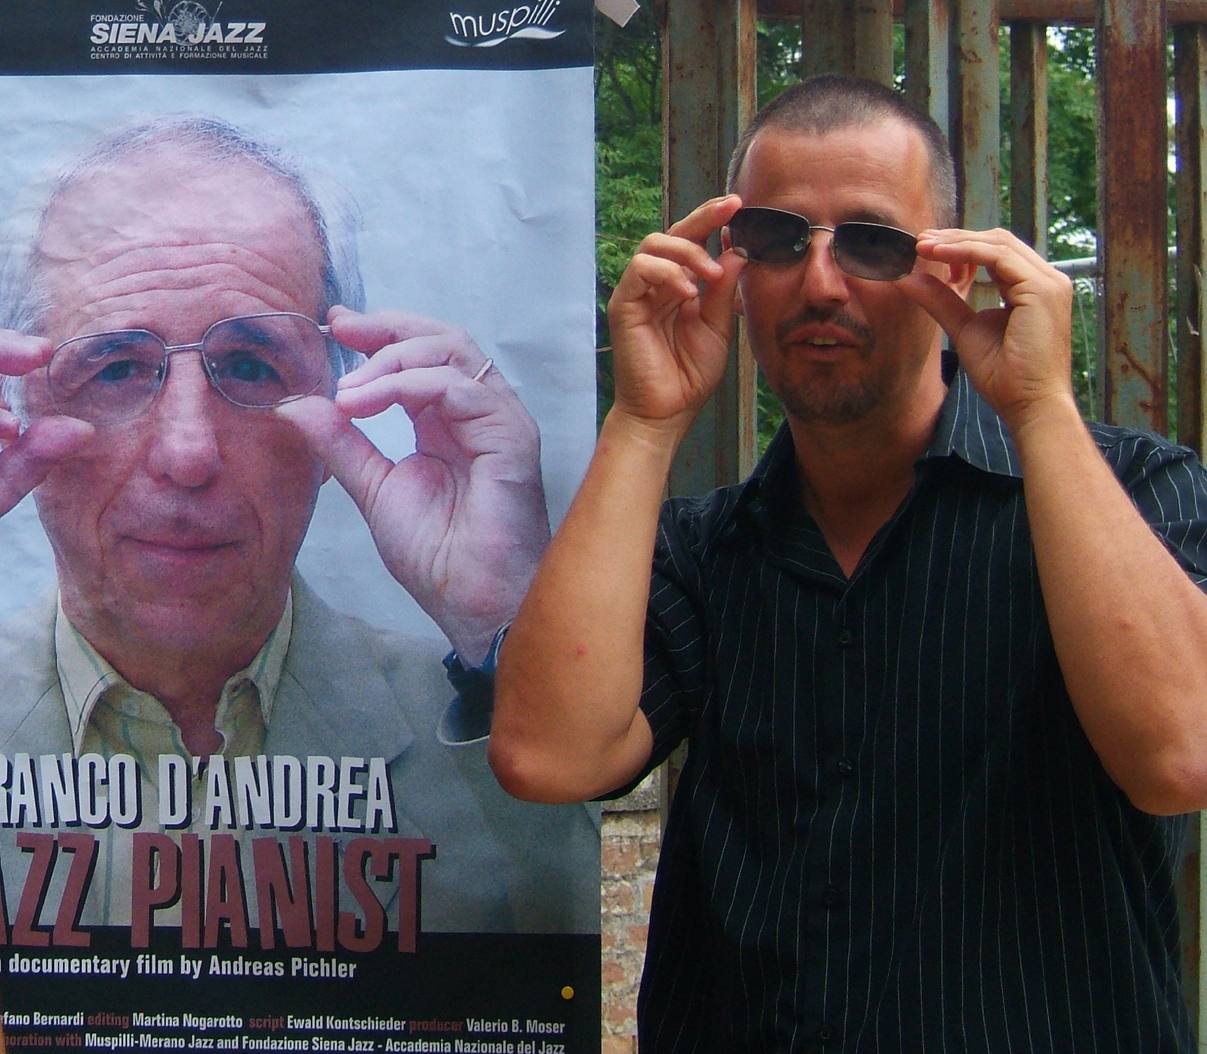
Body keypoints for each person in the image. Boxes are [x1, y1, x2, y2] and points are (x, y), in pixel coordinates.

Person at [491, 74, 1207, 1050]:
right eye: (777, 240)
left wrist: (1039, 408)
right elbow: (546, 755)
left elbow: (1180, 757)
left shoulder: (1133, 491)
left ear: (949, 268)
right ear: (732, 266)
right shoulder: (703, 551)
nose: (821, 284)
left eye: (871, 242)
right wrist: (644, 420)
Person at [0, 115, 597, 936]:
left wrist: (504, 633)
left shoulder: (477, 711)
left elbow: (553, 946)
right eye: (115, 368)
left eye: (250, 366)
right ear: (20, 402)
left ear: (340, 401)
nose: (187, 452)